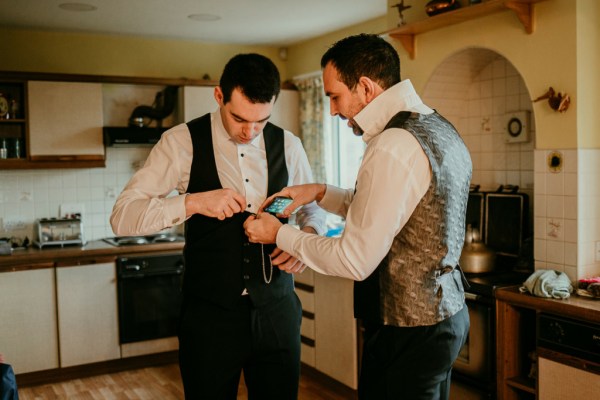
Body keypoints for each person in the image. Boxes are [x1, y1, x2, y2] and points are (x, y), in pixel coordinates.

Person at [244, 34, 471, 400]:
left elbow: (355, 259)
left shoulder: (392, 146)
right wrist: (319, 191)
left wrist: (278, 235)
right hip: (443, 316)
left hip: (407, 329)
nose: (332, 110)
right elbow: (390, 212)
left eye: (334, 96)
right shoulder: (437, 127)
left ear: (365, 87)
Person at [110, 53, 325, 399]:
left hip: (277, 311)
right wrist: (193, 202)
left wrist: (307, 237)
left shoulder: (289, 144)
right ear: (218, 96)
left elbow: (312, 209)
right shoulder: (180, 142)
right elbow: (122, 215)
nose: (250, 132)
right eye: (239, 118)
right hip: (209, 318)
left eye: (261, 121)